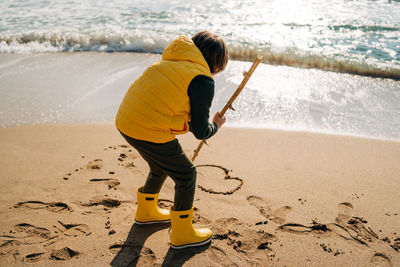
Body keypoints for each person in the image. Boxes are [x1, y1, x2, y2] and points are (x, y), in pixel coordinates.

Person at [115, 31, 228, 249]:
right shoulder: (202, 80)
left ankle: (146, 211)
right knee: (187, 174)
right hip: (147, 127)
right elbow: (200, 131)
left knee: (160, 165)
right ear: (217, 62)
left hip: (126, 121)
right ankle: (183, 232)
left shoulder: (171, 63)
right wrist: (216, 125)